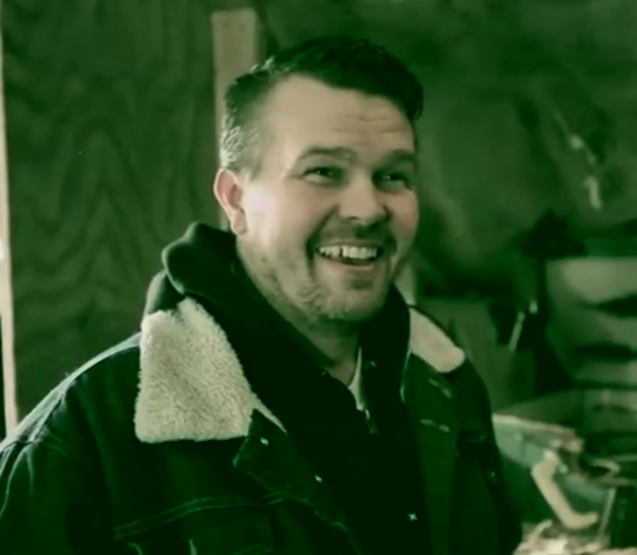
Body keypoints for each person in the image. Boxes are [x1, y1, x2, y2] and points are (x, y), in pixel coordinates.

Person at [0, 36, 520, 555]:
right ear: (236, 200)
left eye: (392, 176)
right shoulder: (82, 439)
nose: (367, 209)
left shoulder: (444, 379)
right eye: (323, 171)